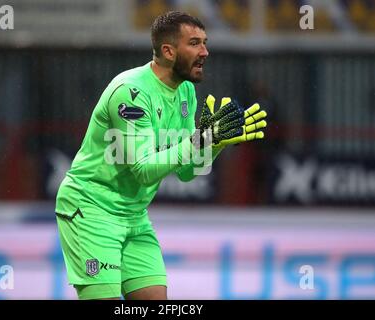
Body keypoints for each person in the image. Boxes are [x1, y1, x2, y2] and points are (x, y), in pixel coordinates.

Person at [55, 10, 267, 300]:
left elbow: (187, 171)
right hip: (91, 210)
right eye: (194, 43)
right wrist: (200, 139)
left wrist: (216, 143)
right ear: (168, 51)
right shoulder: (130, 93)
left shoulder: (186, 92)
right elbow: (143, 169)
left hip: (134, 215)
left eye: (205, 42)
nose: (205, 51)